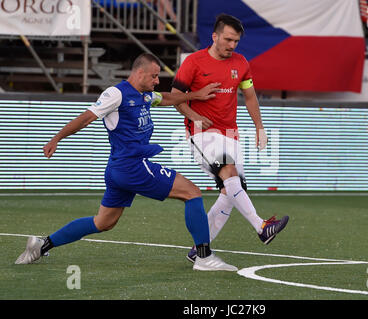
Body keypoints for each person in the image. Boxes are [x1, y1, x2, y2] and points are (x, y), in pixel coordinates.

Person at [15, 53, 237, 272]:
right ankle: (204, 256)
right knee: (192, 193)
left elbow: (168, 98)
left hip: (118, 170)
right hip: (132, 166)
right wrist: (56, 139)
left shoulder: (145, 95)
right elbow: (86, 117)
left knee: (103, 223)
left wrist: (196, 95)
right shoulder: (116, 94)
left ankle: (41, 246)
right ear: (139, 73)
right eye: (154, 76)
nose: (157, 81)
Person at [170, 13, 289, 263]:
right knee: (229, 171)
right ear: (215, 36)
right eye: (228, 40)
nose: (232, 45)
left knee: (230, 190)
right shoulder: (193, 62)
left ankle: (199, 249)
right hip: (201, 133)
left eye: (236, 41)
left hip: (231, 134)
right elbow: (174, 97)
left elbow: (250, 96)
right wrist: (194, 116)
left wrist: (260, 127)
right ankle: (261, 226)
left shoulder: (241, 63)